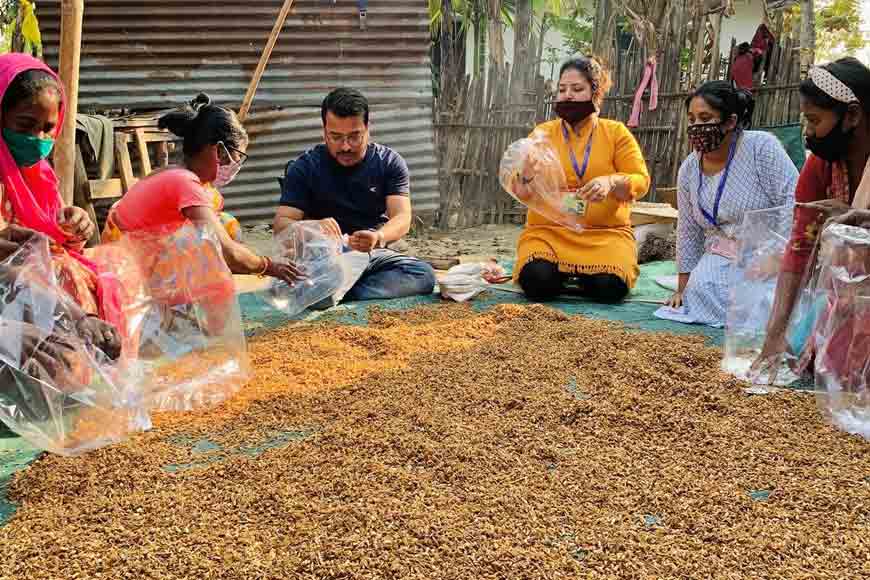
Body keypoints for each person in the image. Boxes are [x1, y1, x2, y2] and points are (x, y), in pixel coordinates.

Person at [102, 93, 302, 287]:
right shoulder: (184, 183)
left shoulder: (176, 175)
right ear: (219, 151)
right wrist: (269, 266)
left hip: (127, 258)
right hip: (126, 273)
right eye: (236, 157)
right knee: (213, 242)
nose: (235, 165)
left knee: (224, 222)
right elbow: (228, 253)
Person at [753, 57, 870, 380]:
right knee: (825, 366)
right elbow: (799, 249)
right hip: (846, 297)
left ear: (853, 115)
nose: (808, 132)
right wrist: (775, 332)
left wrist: (861, 222)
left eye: (814, 121)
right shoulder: (820, 166)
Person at [0, 53, 122, 358]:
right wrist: (78, 317)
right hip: (13, 288)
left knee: (105, 272)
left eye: (47, 128)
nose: (37, 138)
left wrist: (74, 226)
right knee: (62, 274)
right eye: (25, 125)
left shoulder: (39, 176)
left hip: (29, 287)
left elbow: (56, 239)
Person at [655, 81, 798, 327]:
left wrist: (778, 255)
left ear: (730, 122)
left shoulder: (761, 147)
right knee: (699, 292)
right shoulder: (689, 169)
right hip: (723, 253)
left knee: (768, 303)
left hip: (770, 251)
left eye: (705, 118)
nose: (697, 127)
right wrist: (682, 289)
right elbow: (688, 231)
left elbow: (794, 201)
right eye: (692, 120)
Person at [273, 87, 436, 302]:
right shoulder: (305, 167)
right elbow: (281, 225)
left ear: (368, 129)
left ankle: (334, 291)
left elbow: (402, 217)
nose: (346, 146)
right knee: (327, 276)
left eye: (354, 136)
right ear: (324, 132)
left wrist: (379, 237)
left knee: (423, 275)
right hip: (325, 257)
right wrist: (313, 226)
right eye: (336, 137)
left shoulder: (389, 162)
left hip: (371, 254)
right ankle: (331, 288)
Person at [509, 57, 650, 303]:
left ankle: (580, 277)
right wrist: (527, 174)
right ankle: (567, 276)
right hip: (548, 233)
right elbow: (520, 191)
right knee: (537, 282)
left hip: (605, 235)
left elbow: (641, 180)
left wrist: (611, 181)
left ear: (596, 93)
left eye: (577, 90)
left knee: (610, 288)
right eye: (562, 90)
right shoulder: (542, 134)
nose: (568, 97)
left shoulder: (616, 133)